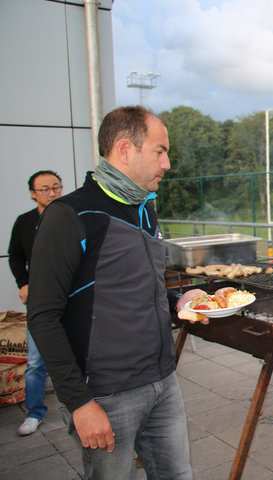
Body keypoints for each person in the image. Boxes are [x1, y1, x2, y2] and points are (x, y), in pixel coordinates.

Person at [27, 106, 203, 480]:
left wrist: (177, 302)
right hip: (106, 396)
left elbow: (141, 287)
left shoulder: (145, 211)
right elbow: (42, 317)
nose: (167, 163)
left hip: (163, 382)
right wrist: (79, 403)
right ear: (125, 149)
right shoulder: (70, 214)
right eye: (160, 150)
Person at [8, 170, 63, 435]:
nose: (52, 192)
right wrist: (23, 283)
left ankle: (83, 405)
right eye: (45, 189)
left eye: (56, 187)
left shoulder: (71, 216)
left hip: (70, 297)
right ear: (33, 193)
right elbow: (16, 256)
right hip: (39, 298)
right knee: (36, 360)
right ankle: (35, 412)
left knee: (80, 353)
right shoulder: (24, 222)